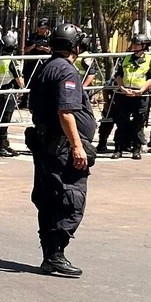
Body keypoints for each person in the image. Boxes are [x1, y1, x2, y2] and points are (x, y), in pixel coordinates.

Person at [26, 23, 96, 277]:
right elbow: (65, 111)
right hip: (61, 147)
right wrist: (77, 146)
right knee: (69, 198)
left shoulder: (46, 67)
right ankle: (55, 254)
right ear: (74, 46)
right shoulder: (66, 71)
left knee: (49, 198)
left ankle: (50, 255)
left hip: (47, 143)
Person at [108, 34, 151, 160]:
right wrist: (121, 87)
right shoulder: (126, 58)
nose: (134, 46)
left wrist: (140, 91)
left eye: (137, 44)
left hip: (140, 95)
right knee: (121, 122)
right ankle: (118, 148)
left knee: (138, 123)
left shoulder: (150, 60)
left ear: (144, 46)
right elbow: (118, 75)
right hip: (124, 94)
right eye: (133, 44)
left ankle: (136, 148)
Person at [0, 31, 24, 157]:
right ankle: (0, 147)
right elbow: (19, 79)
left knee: (1, 120)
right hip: (8, 92)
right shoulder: (11, 61)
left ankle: (4, 144)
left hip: (0, 91)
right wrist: (23, 89)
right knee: (4, 121)